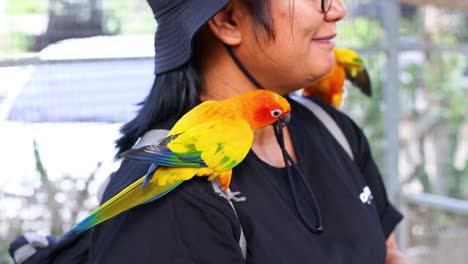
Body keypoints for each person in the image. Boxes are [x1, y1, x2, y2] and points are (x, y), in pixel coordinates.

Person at [9, 0, 409, 263]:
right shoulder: (172, 203)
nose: (337, 9)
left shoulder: (332, 127)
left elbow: (388, 254)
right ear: (228, 20)